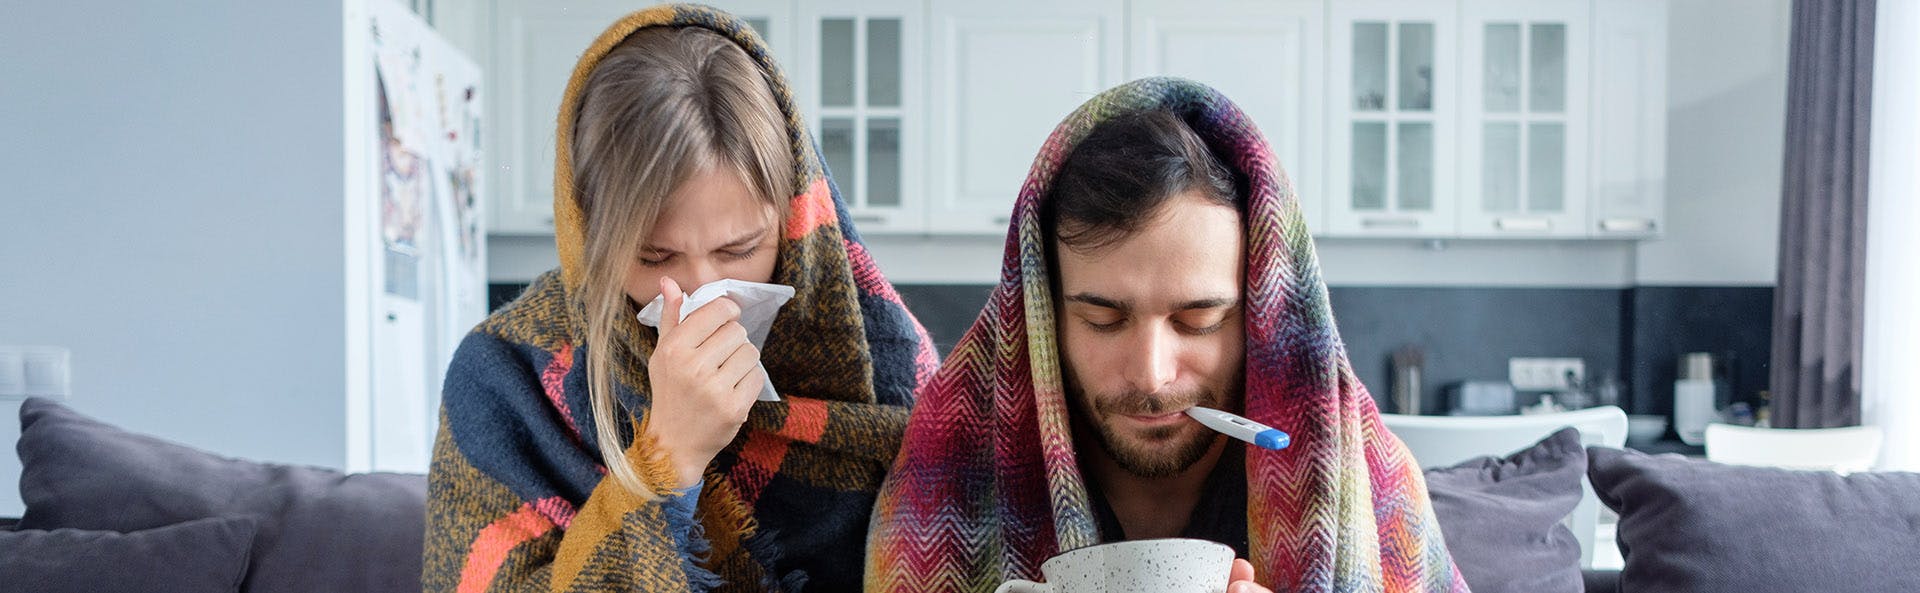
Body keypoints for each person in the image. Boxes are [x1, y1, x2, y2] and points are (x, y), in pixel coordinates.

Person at [866, 78, 1470, 593]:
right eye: (1102, 319)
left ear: (1262, 314)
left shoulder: (1368, 478)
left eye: (1198, 320)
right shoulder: (943, 468)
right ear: (1043, 318)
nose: (1152, 374)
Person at [423, 6, 937, 592]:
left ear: (795, 219)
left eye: (740, 249)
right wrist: (665, 460)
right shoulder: (507, 375)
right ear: (589, 233)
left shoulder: (886, 357)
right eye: (653, 257)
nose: (701, 290)